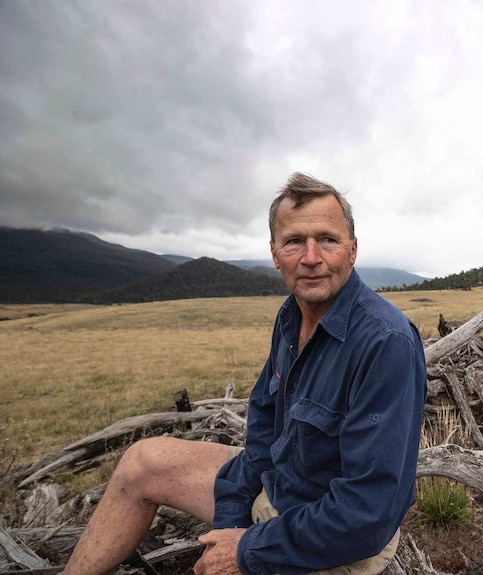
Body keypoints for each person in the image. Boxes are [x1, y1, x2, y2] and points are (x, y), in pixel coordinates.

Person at [62, 173, 428, 575]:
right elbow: (262, 436)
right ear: (274, 253)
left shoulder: (386, 341)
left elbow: (368, 514)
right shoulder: (291, 317)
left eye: (327, 239)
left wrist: (246, 550)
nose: (310, 257)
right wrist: (231, 519)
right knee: (142, 461)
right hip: (281, 488)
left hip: (336, 538)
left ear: (352, 250)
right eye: (293, 242)